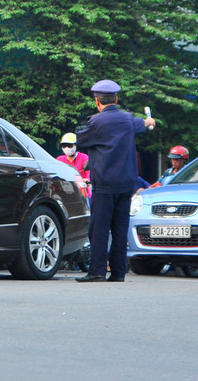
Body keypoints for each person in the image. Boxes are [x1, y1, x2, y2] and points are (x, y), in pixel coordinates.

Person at [75, 79, 155, 283]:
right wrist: (148, 122)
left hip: (104, 183)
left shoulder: (96, 121)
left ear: (97, 102)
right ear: (116, 99)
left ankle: (97, 271)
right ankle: (118, 272)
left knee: (99, 228)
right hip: (126, 183)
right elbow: (143, 124)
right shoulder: (128, 119)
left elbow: (81, 141)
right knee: (120, 228)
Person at [56, 132, 90, 199]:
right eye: (64, 146)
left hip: (82, 194)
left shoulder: (84, 157)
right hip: (65, 193)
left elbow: (88, 173)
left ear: (76, 146)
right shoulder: (59, 159)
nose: (67, 148)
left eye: (69, 145)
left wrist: (87, 180)